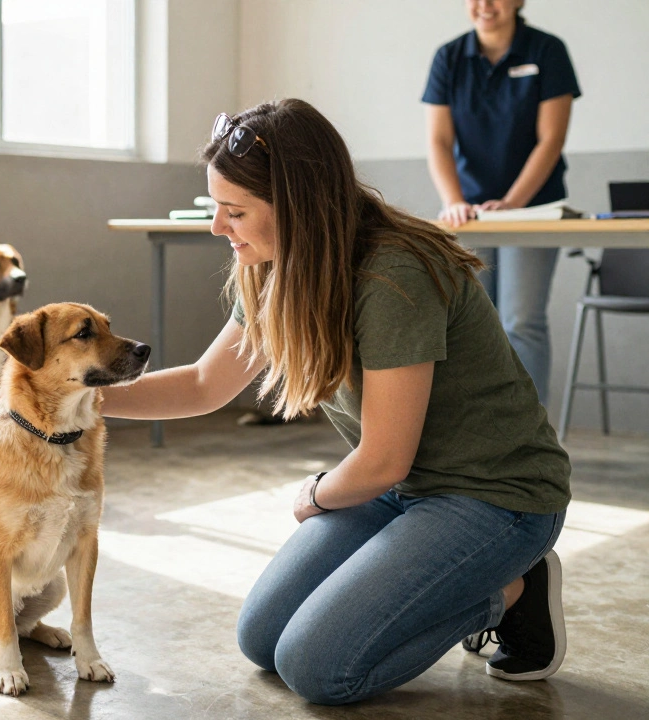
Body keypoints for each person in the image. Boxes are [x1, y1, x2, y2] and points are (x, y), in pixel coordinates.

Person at [98, 99, 571, 705]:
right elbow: (201, 386)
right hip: (400, 491)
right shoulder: (277, 266)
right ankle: (462, 578)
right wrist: (79, 399)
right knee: (261, 639)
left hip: (494, 495)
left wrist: (316, 493)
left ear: (297, 208)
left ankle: (511, 593)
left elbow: (382, 461)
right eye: (216, 206)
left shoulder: (393, 276)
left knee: (319, 667)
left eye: (234, 211)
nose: (218, 227)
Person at [423, 0, 581, 406]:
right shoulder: (449, 57)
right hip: (469, 215)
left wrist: (513, 203)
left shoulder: (547, 50)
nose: (484, 5)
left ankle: (533, 440)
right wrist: (454, 201)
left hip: (534, 209)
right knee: (473, 325)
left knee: (521, 322)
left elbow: (551, 140)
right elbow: (438, 142)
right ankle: (484, 435)